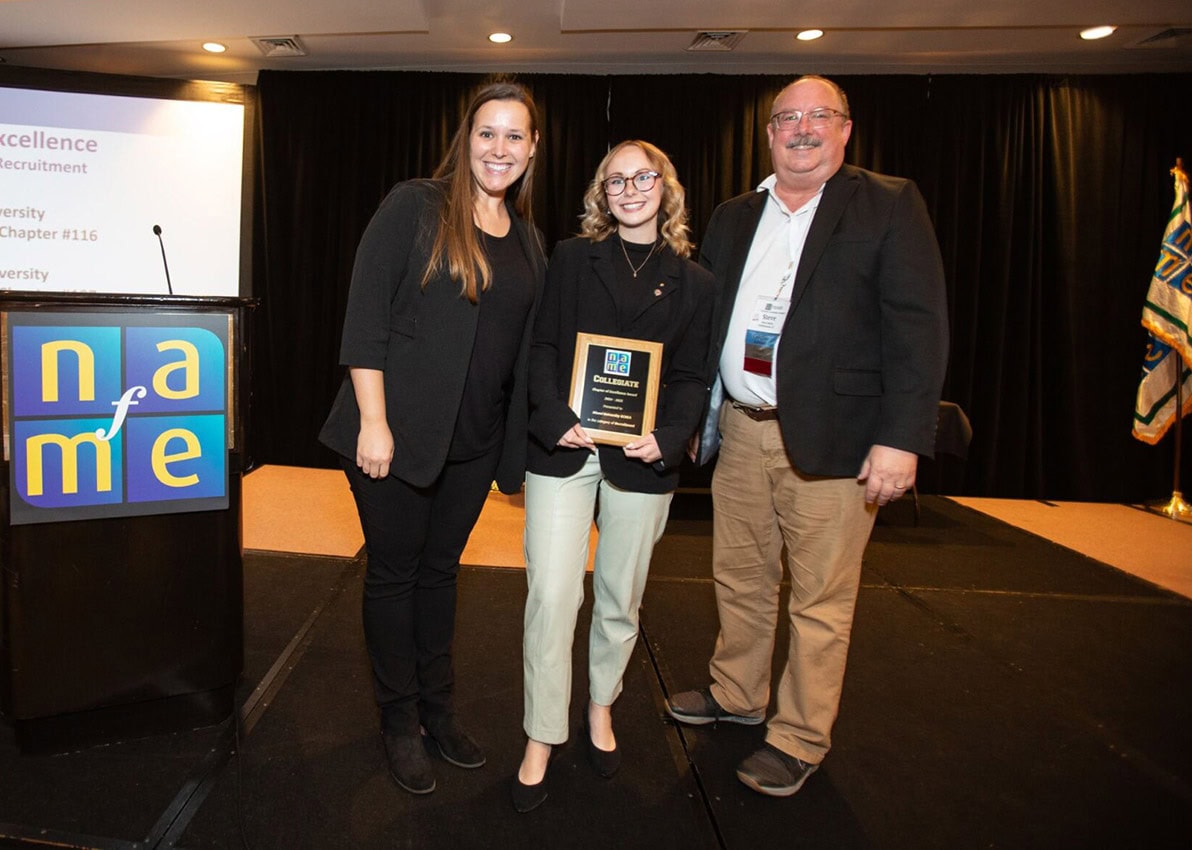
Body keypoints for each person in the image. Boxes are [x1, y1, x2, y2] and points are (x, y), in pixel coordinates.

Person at [665, 76, 949, 797]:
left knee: (820, 599)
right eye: (786, 118)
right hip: (742, 426)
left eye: (817, 116)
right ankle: (737, 694)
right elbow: (706, 320)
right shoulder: (735, 216)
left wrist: (902, 438)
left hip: (842, 441)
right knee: (740, 577)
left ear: (845, 129)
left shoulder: (887, 203)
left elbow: (919, 330)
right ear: (768, 134)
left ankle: (797, 738)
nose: (800, 129)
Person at [318, 81, 544, 796]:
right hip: (394, 436)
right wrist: (374, 423)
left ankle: (439, 713)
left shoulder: (531, 240)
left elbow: (523, 349)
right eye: (487, 133)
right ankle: (398, 723)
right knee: (394, 575)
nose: (499, 148)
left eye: (514, 136)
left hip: (473, 447)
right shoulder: (415, 206)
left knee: (440, 574)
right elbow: (365, 320)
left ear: (532, 148)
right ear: (465, 140)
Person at [512, 141, 715, 812]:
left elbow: (690, 377)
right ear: (602, 194)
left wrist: (668, 436)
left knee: (620, 599)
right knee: (553, 596)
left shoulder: (696, 283)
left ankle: (600, 707)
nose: (629, 188)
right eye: (615, 180)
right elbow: (541, 346)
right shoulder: (571, 260)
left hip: (642, 460)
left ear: (667, 188)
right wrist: (552, 415)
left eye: (642, 177)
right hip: (565, 451)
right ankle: (542, 733)